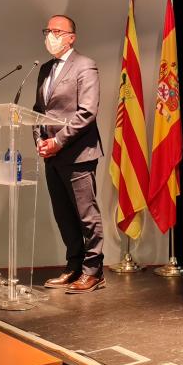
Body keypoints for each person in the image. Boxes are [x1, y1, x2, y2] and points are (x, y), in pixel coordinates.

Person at [33, 15, 106, 294]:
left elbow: (86, 112)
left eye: (57, 31)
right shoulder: (45, 69)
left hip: (77, 153)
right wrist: (40, 140)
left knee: (86, 215)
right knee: (64, 215)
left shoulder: (84, 66)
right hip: (51, 155)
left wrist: (57, 142)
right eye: (47, 30)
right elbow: (38, 111)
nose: (50, 35)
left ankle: (93, 271)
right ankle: (73, 266)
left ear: (71, 37)